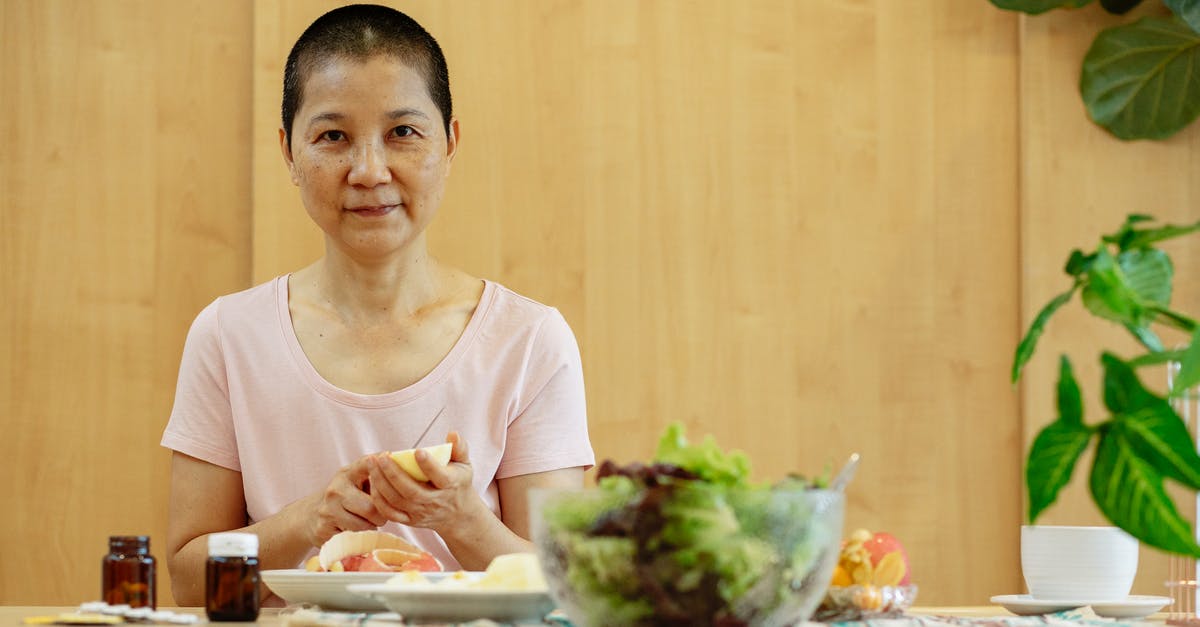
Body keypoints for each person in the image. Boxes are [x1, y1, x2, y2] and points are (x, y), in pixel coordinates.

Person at [160, 4, 593, 606]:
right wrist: (313, 518)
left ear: (450, 143)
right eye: (333, 136)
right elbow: (186, 579)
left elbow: (572, 587)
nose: (369, 171)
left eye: (403, 133)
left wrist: (461, 518)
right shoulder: (228, 335)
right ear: (289, 153)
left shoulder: (529, 339)